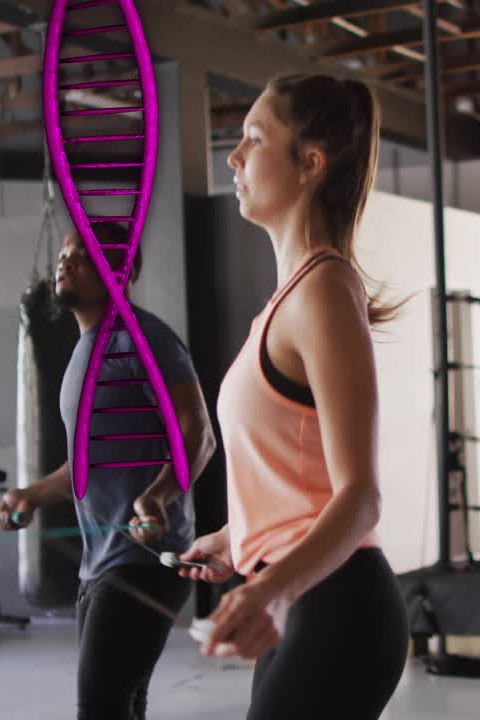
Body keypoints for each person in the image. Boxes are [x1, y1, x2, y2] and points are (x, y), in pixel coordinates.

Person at [177, 73, 409, 720]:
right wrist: (236, 537)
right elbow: (297, 474)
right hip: (305, 601)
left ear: (310, 164)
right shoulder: (290, 300)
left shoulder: (324, 293)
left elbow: (359, 498)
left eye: (254, 138)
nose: (234, 156)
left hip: (337, 608)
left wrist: (273, 590)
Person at [0, 226, 217, 720]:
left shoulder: (142, 340)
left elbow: (198, 436)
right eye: (64, 253)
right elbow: (87, 463)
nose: (66, 261)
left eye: (83, 255)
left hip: (144, 562)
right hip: (100, 563)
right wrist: (31, 494)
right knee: (122, 705)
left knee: (102, 708)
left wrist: (159, 495)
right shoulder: (85, 353)